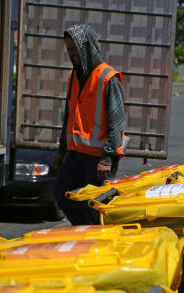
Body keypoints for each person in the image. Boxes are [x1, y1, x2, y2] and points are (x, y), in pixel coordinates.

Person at [51, 24, 128, 225]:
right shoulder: (73, 76)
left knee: (93, 206)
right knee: (62, 196)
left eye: (75, 49)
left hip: (99, 160)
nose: (72, 54)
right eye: (68, 50)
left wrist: (107, 158)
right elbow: (68, 116)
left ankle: (97, 241)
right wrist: (61, 150)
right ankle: (84, 232)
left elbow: (116, 121)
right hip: (75, 153)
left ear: (88, 48)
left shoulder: (108, 78)